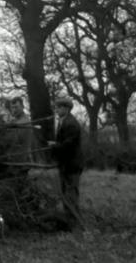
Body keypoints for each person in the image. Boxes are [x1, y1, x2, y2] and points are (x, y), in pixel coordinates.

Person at [48, 98, 84, 229]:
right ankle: (71, 222)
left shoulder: (71, 123)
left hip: (72, 165)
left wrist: (54, 146)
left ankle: (76, 225)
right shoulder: (63, 122)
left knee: (71, 195)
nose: (56, 110)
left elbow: (69, 145)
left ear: (66, 108)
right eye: (56, 107)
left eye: (58, 107)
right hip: (65, 164)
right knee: (66, 194)